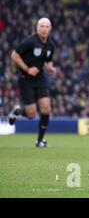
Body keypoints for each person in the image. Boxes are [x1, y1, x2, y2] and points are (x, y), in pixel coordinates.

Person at [8, 18, 57, 147]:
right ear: (37, 28)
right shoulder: (30, 42)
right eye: (41, 26)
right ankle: (17, 112)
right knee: (31, 114)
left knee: (46, 109)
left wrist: (50, 67)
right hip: (26, 79)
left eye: (46, 27)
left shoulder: (51, 44)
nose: (44, 29)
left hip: (40, 78)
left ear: (50, 29)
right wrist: (27, 69)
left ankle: (40, 140)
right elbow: (14, 55)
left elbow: (48, 59)